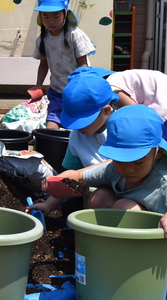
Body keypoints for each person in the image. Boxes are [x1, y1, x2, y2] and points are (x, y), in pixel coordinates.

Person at [45, 105, 167, 278]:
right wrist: (53, 191)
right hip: (143, 237)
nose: (129, 169)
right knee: (99, 197)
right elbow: (79, 176)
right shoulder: (115, 169)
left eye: (138, 162)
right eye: (120, 160)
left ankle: (123, 262)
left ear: (158, 152)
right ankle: (113, 251)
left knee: (125, 206)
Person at [28, 68, 117, 216]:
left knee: (99, 200)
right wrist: (48, 204)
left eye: (83, 122)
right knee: (70, 207)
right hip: (98, 193)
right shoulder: (77, 136)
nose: (77, 127)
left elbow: (118, 165)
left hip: (129, 193)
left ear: (106, 111)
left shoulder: (122, 128)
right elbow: (69, 180)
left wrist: (77, 174)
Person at [82, 67, 167, 154]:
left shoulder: (112, 88)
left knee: (156, 153)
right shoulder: (117, 80)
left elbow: (137, 116)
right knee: (161, 151)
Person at [28, 0, 95, 129]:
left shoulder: (75, 35)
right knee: (51, 128)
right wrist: (39, 85)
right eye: (45, 16)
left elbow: (83, 65)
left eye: (56, 16)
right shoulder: (43, 39)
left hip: (77, 91)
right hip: (57, 91)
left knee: (77, 127)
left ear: (66, 13)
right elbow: (44, 64)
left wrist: (78, 88)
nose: (51, 21)